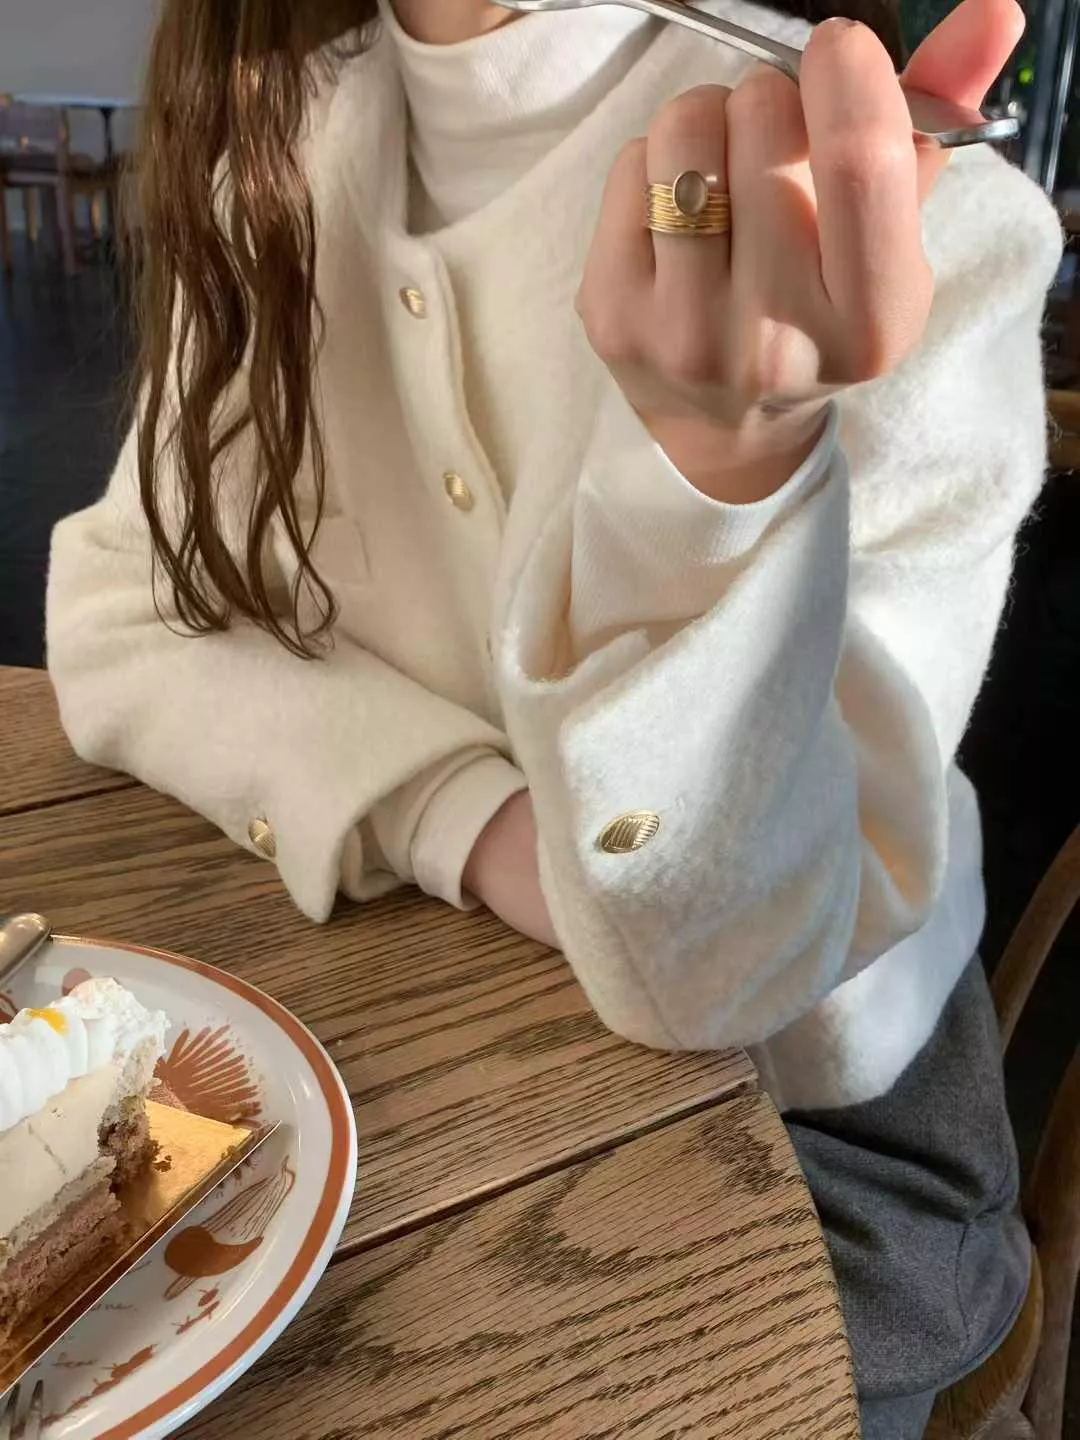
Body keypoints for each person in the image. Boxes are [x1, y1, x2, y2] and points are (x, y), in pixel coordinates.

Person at [46, 0, 1060, 1434]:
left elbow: (720, 970)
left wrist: (718, 484)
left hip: (817, 1143)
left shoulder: (901, 207)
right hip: (397, 1036)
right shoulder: (273, 149)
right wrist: (478, 819)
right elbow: (119, 609)